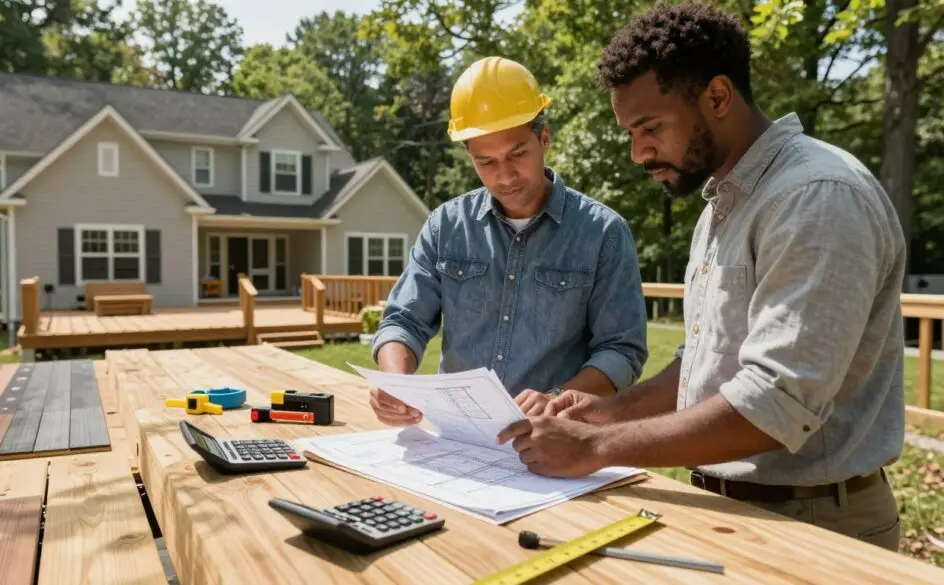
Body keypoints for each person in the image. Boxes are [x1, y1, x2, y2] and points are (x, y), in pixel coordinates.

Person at [496, 2, 906, 551]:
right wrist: (607, 411)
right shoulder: (723, 202)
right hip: (726, 509)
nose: (639, 152)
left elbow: (775, 403)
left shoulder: (816, 197)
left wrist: (596, 447)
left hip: (816, 525)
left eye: (649, 127)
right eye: (630, 132)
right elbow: (706, 359)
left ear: (717, 97)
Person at [368, 56, 649, 425]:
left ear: (543, 139)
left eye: (517, 154)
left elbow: (621, 350)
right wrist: (395, 381)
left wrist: (557, 399)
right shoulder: (445, 227)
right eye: (486, 162)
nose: (505, 177)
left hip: (555, 441)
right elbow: (404, 321)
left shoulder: (603, 233)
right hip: (459, 438)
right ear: (470, 157)